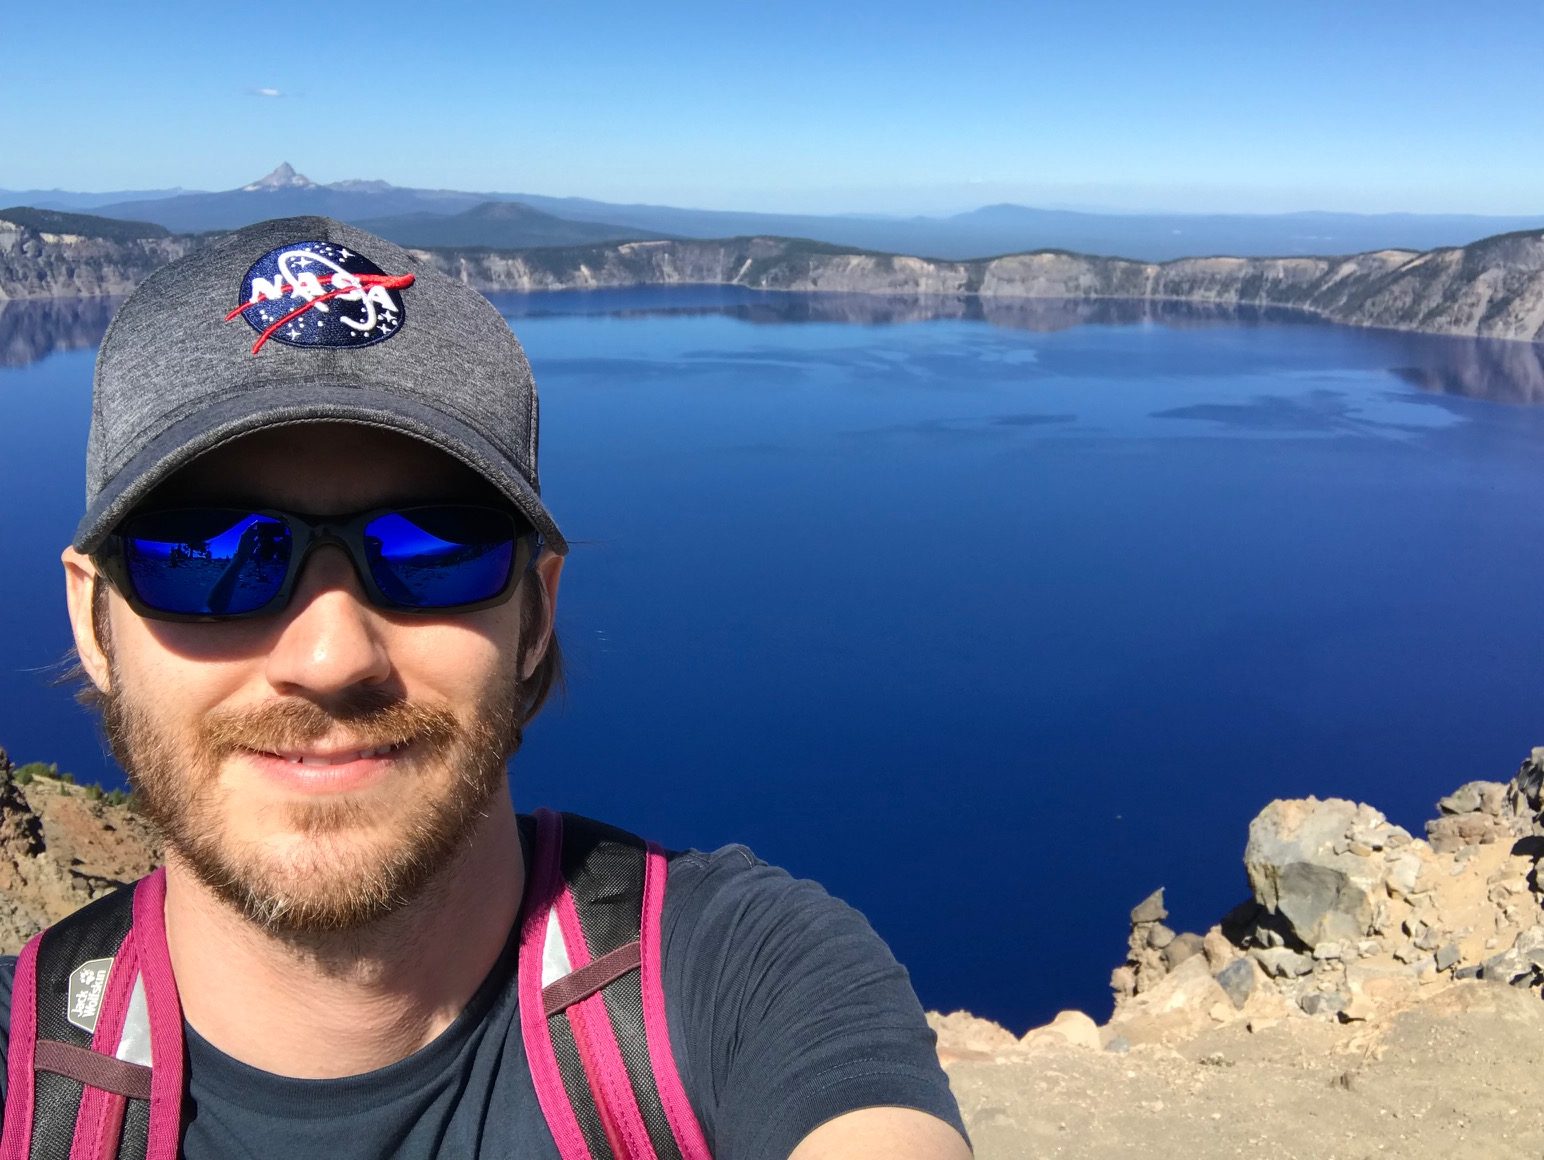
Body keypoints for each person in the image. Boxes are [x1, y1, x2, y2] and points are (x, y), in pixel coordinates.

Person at [0, 217, 970, 1158]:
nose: (333, 655)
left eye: (434, 546)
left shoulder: (743, 980)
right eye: (204, 552)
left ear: (535, 617)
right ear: (94, 619)